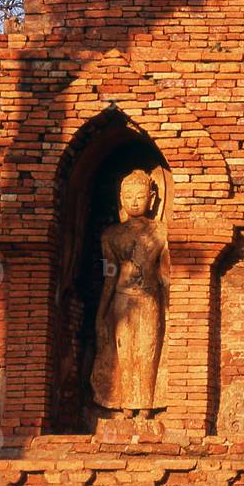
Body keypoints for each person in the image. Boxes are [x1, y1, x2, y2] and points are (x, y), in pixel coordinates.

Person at [91, 170, 170, 418]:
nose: (134, 202)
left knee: (148, 350)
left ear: (152, 199)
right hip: (122, 299)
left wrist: (172, 309)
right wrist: (101, 313)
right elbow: (110, 275)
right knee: (123, 353)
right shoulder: (111, 235)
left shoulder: (162, 232)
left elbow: (166, 276)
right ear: (120, 198)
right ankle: (125, 402)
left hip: (150, 298)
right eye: (128, 196)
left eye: (140, 196)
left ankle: (146, 404)